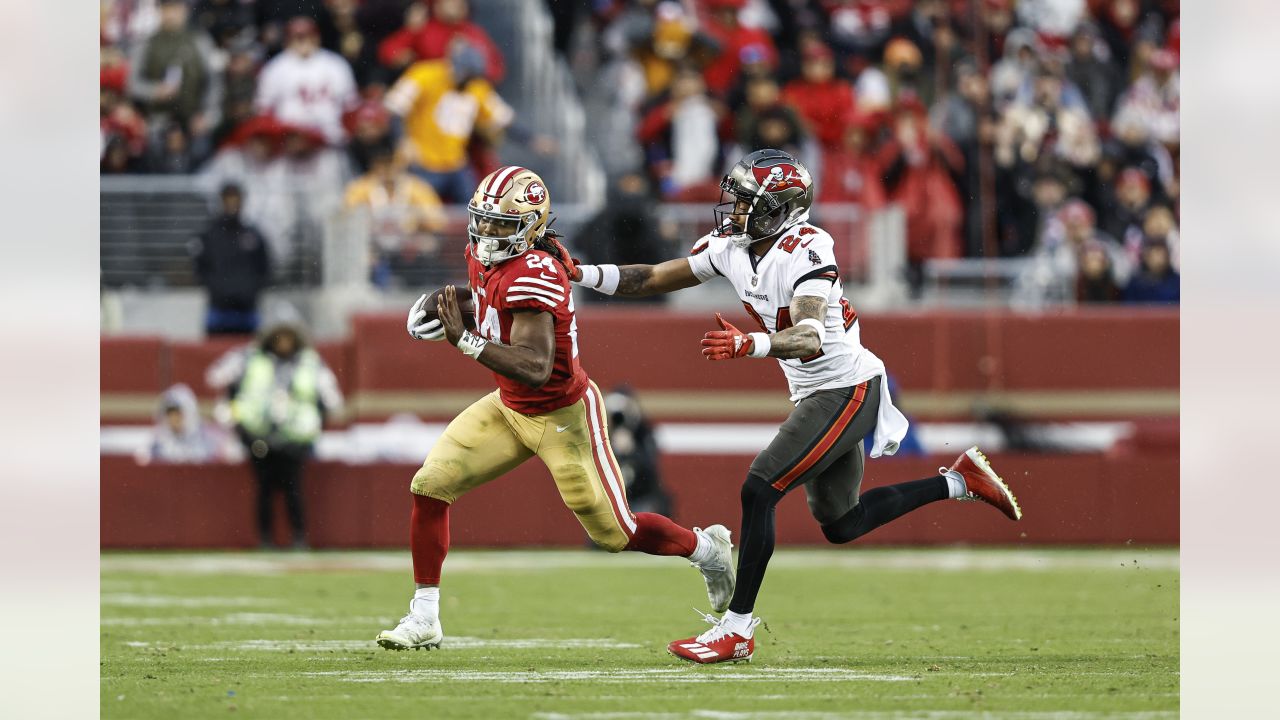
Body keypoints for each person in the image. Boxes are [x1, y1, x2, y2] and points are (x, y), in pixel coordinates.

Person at [553, 149, 1023, 664]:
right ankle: (959, 481)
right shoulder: (732, 246)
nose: (732, 211)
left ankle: (736, 629)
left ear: (783, 208)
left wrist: (748, 345)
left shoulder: (809, 245)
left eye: (746, 202)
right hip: (816, 392)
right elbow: (657, 277)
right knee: (842, 523)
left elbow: (808, 336)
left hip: (847, 387)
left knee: (760, 488)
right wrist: (582, 273)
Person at [375, 166, 735, 651]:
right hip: (507, 406)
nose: (488, 233)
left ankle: (707, 550)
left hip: (563, 416)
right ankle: (424, 617)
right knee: (430, 485)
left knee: (616, 532)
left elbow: (536, 366)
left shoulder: (535, 273)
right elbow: (485, 297)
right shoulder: (486, 255)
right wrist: (447, 304)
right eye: (483, 220)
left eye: (502, 225)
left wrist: (466, 340)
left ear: (531, 226)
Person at [206, 311, 344, 549]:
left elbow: (332, 402)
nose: (284, 343)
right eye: (279, 337)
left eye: (288, 337)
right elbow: (215, 378)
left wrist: (313, 428)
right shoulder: (249, 358)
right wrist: (239, 425)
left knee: (294, 490)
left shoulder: (311, 362)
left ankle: (299, 538)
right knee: (264, 490)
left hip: (295, 439)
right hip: (257, 437)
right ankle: (265, 539)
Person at [383, 40, 514, 202]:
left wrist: (533, 140)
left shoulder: (476, 86)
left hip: (455, 162)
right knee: (421, 211)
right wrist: (402, 140)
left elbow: (504, 118)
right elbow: (395, 107)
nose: (467, 82)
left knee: (473, 211)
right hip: (422, 161)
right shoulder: (425, 74)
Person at [343, 148, 447, 288]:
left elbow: (438, 220)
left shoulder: (417, 188)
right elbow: (347, 216)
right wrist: (366, 223)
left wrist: (417, 220)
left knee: (428, 244)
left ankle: (416, 289)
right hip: (374, 244)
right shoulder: (361, 187)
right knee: (363, 255)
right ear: (375, 166)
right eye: (383, 165)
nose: (389, 170)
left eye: (393, 164)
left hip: (406, 243)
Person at [253, 16, 359, 146]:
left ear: (317, 37)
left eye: (306, 36)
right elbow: (264, 109)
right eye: (297, 37)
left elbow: (350, 105)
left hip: (330, 140)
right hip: (290, 142)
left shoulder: (336, 65)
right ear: (287, 40)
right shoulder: (275, 68)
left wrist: (346, 134)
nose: (302, 41)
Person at [191, 183, 272, 336]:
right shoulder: (209, 236)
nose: (232, 205)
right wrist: (219, 290)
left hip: (248, 312)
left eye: (236, 200)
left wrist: (248, 291)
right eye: (228, 200)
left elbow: (264, 268)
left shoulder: (253, 235)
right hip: (218, 311)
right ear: (221, 202)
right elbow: (200, 270)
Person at [138, 384, 235, 464]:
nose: (173, 419)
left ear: (189, 413)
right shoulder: (157, 442)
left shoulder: (210, 438)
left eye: (178, 414)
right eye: (169, 415)